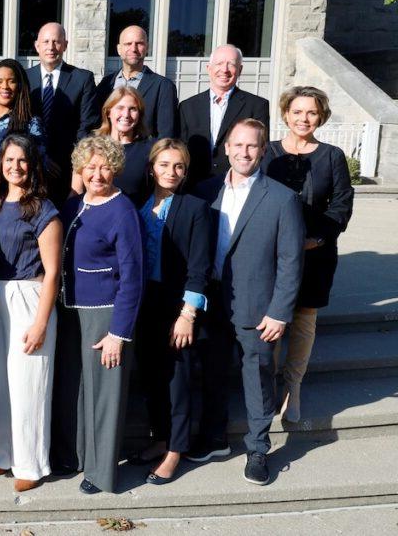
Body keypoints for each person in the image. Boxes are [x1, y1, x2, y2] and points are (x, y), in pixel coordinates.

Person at [191, 119, 304, 486]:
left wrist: (279, 312)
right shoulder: (206, 191)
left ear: (263, 150)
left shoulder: (282, 198)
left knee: (257, 377)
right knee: (211, 370)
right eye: (237, 145)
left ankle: (258, 448)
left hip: (258, 307)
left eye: (252, 146)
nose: (244, 152)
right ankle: (215, 438)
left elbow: (291, 261)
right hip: (211, 300)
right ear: (226, 148)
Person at [55, 136, 144, 494]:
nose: (97, 173)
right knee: (73, 389)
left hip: (106, 316)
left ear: (116, 169)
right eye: (90, 166)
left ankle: (103, 472)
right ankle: (75, 457)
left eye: (105, 166)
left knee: (105, 396)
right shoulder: (74, 205)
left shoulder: (123, 211)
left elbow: (133, 276)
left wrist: (119, 333)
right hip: (70, 313)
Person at [261, 87, 354, 422]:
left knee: (302, 322)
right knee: (271, 322)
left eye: (311, 113)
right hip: (271, 255)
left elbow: (342, 203)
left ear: (321, 116)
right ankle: (267, 385)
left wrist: (317, 238)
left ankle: (292, 387)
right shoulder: (267, 152)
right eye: (297, 111)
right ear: (286, 113)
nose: (304, 119)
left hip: (315, 254)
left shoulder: (331, 156)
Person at [0, 134, 62, 493]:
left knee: (29, 385)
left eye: (22, 161)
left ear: (32, 165)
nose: (15, 167)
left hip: (29, 297)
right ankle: (1, 454)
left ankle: (31, 462)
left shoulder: (43, 209)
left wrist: (41, 321)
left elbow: (54, 272)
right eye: (9, 160)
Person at [129, 139, 212, 486]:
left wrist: (187, 314)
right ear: (152, 167)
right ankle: (160, 438)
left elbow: (200, 266)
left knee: (177, 381)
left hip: (176, 306)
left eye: (178, 166)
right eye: (164, 165)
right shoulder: (137, 204)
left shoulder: (195, 208)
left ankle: (176, 450)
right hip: (144, 302)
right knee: (152, 377)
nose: (171, 172)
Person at [178, 45, 271, 190]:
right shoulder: (187, 106)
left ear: (240, 70)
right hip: (194, 187)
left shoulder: (257, 105)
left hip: (238, 186)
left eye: (232, 64)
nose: (225, 70)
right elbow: (181, 149)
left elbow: (261, 150)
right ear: (209, 68)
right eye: (219, 64)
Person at [27, 22, 99, 201]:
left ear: (65, 45)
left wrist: (78, 170)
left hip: (68, 171)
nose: (51, 47)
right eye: (46, 42)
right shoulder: (24, 78)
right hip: (30, 167)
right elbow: (20, 123)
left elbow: (87, 127)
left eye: (57, 42)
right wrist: (40, 157)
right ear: (37, 46)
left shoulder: (82, 79)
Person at [74, 87, 154, 205]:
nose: (126, 115)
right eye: (120, 108)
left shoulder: (150, 150)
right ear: (108, 112)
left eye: (133, 109)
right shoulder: (89, 144)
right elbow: (76, 191)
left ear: (139, 115)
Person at [95, 26, 178, 139]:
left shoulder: (163, 86)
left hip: (144, 154)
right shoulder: (106, 84)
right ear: (119, 49)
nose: (133, 49)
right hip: (109, 153)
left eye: (139, 43)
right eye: (128, 44)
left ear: (147, 48)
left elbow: (166, 135)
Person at [0, 59, 45, 151]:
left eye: (11, 81)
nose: (5, 86)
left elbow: (39, 159)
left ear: (19, 85)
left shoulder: (30, 123)